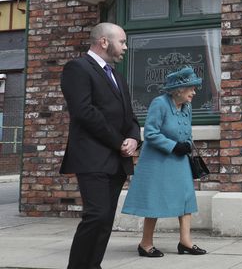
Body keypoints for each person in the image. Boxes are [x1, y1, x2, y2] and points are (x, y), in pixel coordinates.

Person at [60, 22, 141, 269]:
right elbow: (84, 112)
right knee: (95, 216)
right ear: (104, 41)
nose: (125, 47)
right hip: (92, 156)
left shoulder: (115, 74)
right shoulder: (78, 68)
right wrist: (118, 142)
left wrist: (134, 137)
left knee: (105, 219)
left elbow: (130, 115)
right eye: (122, 41)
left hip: (117, 160)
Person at [122, 66, 207, 257]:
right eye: (191, 88)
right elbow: (150, 133)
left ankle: (185, 242)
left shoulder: (187, 106)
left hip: (180, 160)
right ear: (179, 90)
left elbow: (186, 131)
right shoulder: (160, 103)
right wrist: (173, 145)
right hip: (158, 161)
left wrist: (185, 145)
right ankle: (145, 244)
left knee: (186, 199)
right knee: (155, 201)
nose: (194, 92)